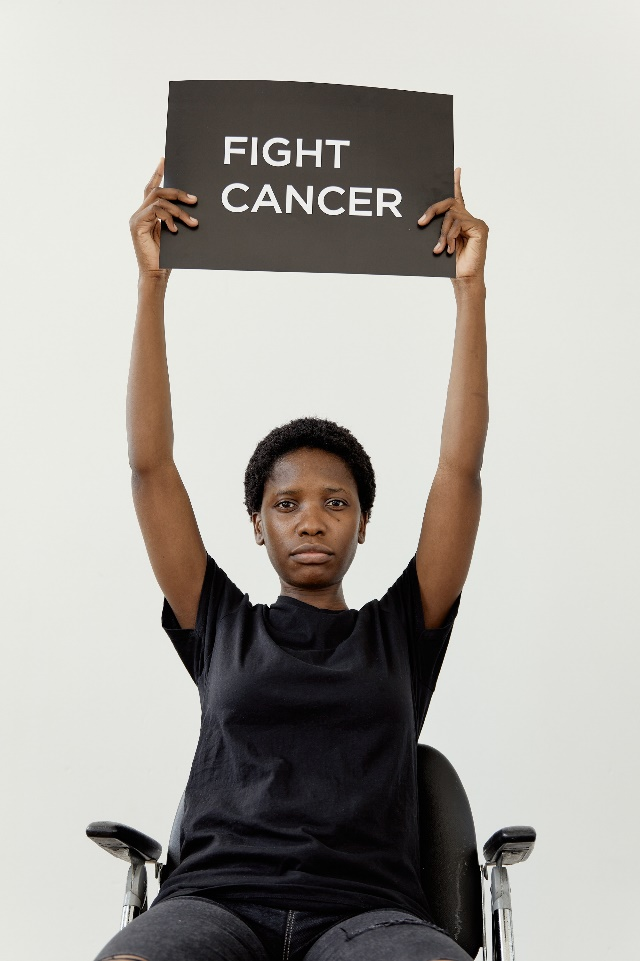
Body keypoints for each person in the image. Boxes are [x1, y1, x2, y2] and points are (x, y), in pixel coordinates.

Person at [93, 159, 488, 961]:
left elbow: (459, 471)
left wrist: (469, 293)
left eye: (336, 502)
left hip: (369, 915)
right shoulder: (220, 621)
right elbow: (149, 468)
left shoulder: (401, 631)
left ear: (364, 523)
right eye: (287, 504)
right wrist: (151, 288)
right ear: (257, 525)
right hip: (215, 903)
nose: (312, 520)